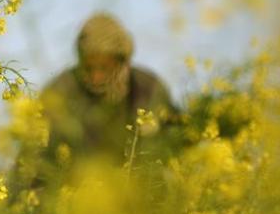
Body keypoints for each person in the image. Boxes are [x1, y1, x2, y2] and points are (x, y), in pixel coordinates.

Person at [18, 13, 179, 188]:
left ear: (122, 61)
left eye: (104, 68)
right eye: (88, 68)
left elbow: (177, 144)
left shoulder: (148, 88)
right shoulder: (60, 91)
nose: (96, 77)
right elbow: (32, 161)